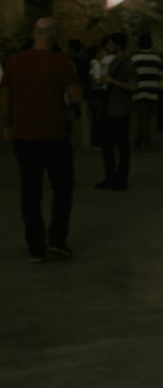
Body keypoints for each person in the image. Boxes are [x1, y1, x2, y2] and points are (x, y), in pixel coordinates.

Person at [0, 16, 83, 262]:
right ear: (54, 36)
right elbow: (76, 97)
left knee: (30, 191)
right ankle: (57, 241)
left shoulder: (13, 62)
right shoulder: (60, 61)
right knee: (62, 189)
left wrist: (6, 126)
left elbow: (5, 99)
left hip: (24, 136)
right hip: (55, 135)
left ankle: (35, 246)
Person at [95, 32, 136, 189]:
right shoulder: (113, 62)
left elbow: (132, 86)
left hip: (120, 110)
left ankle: (121, 179)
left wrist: (112, 81)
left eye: (110, 44)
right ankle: (110, 176)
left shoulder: (127, 63)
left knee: (121, 146)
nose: (107, 47)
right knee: (107, 146)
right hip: (110, 109)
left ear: (118, 45)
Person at [131, 33, 163, 150]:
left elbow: (132, 74)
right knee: (147, 118)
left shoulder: (134, 58)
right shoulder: (157, 58)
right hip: (153, 90)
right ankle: (138, 141)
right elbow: (160, 74)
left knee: (142, 118)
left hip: (139, 90)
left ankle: (146, 141)